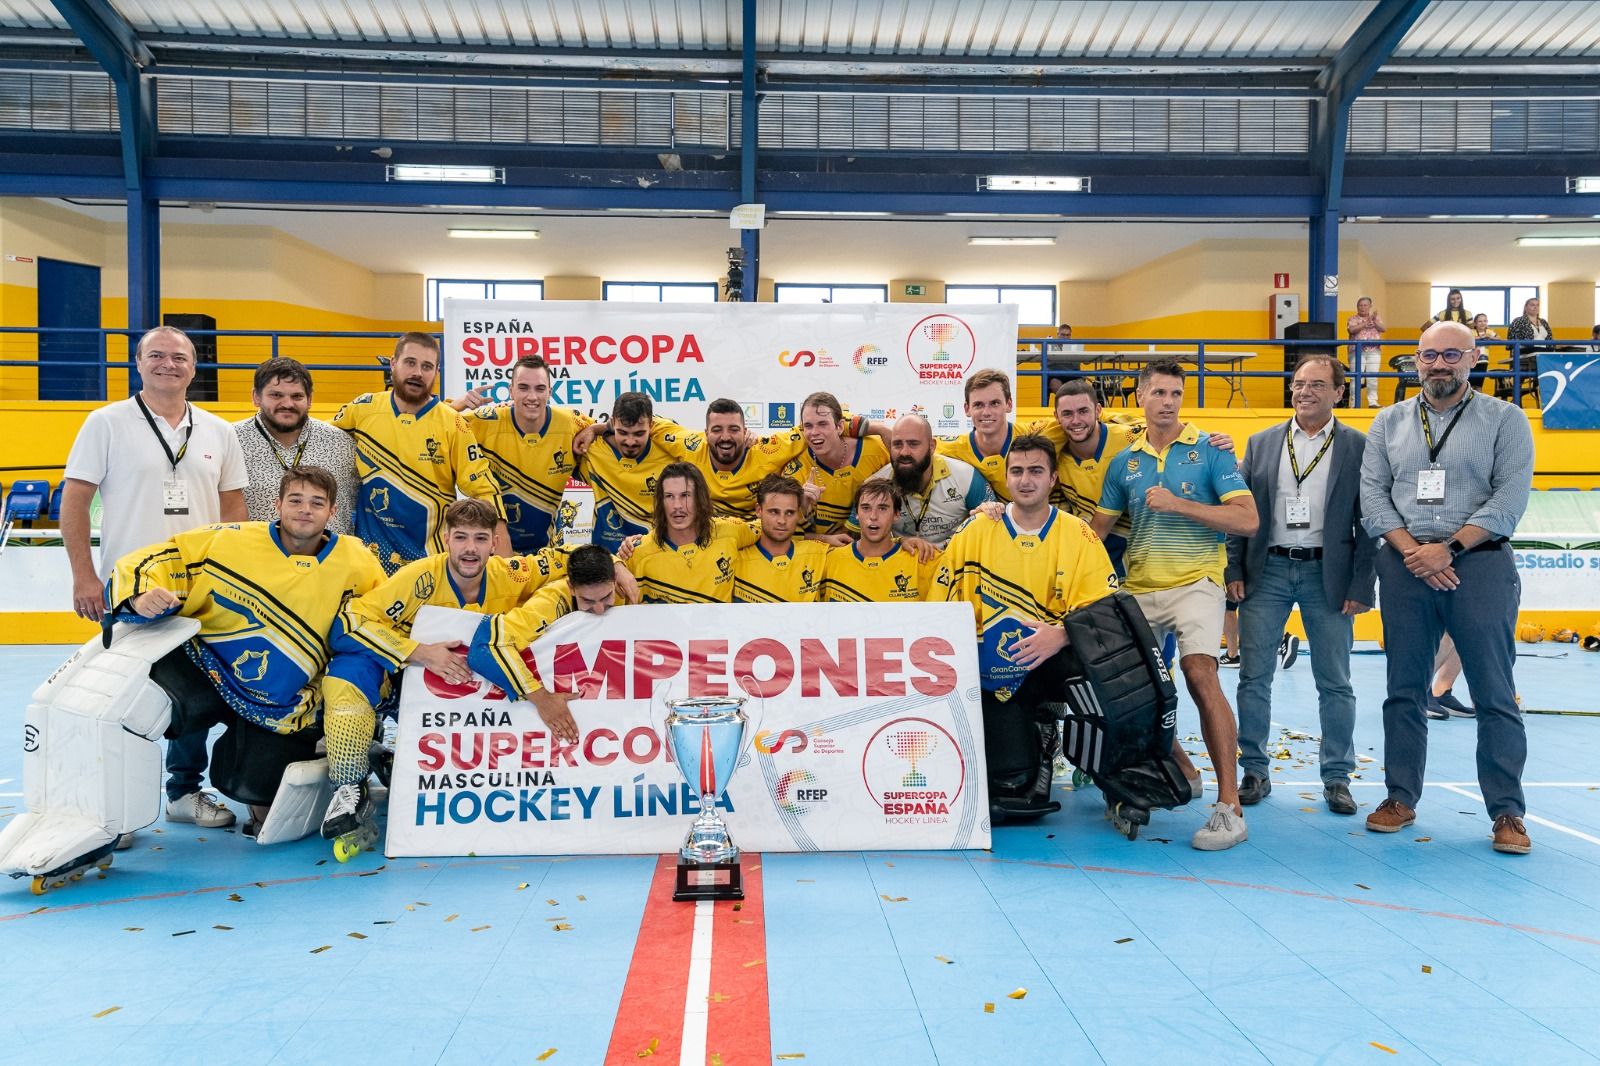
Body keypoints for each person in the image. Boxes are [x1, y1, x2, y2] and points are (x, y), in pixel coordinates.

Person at [105, 466, 384, 832]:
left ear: (332, 512)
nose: (305, 509)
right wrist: (141, 594)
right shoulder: (229, 540)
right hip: (209, 667)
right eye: (295, 500)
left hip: (285, 701)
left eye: (317, 503)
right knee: (144, 703)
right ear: (277, 504)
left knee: (265, 816)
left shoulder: (358, 560)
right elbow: (157, 559)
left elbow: (379, 621)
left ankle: (337, 752)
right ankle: (144, 806)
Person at [62, 324, 249, 831]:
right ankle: (115, 808)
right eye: (157, 355)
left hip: (199, 590)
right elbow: (75, 500)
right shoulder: (106, 422)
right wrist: (85, 577)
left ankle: (185, 791)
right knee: (125, 699)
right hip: (130, 589)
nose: (169, 364)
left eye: (180, 357)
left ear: (195, 367)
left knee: (195, 694)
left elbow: (234, 513)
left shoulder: (219, 431)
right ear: (138, 363)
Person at [1359, 319, 1536, 854]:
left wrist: (1449, 548)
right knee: (1403, 690)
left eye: (1451, 355)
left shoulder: (1507, 419)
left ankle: (1507, 811)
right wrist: (1414, 550)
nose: (1438, 365)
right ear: (1415, 360)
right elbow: (1372, 496)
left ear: (1475, 358)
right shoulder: (1388, 422)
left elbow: (1508, 500)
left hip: (1478, 564)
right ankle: (1399, 797)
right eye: (1428, 355)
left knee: (1494, 693)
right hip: (1405, 564)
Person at [1091, 359, 1259, 851]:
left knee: (1200, 673)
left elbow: (1247, 519)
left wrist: (1179, 504)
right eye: (1159, 392)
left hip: (1197, 582)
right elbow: (1097, 533)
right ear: (1140, 397)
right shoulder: (1124, 463)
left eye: (1176, 393)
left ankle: (1230, 807)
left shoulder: (1211, 450)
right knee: (1127, 692)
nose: (1168, 402)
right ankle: (1181, 767)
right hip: (1140, 586)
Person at [939, 433, 1121, 820]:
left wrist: (1063, 634)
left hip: (1057, 661)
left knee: (1109, 684)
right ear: (1005, 478)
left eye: (1036, 471)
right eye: (1017, 471)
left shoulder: (1079, 534)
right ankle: (1038, 738)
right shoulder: (974, 532)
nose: (1026, 480)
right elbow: (939, 604)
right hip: (993, 674)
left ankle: (1117, 778)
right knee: (1011, 790)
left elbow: (1105, 610)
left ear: (1053, 479)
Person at [1225, 355, 1377, 815]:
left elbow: (1369, 521)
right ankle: (1254, 769)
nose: (1304, 391)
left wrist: (1360, 583)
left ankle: (1336, 777)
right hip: (1266, 570)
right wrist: (1234, 570)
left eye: (1316, 384)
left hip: (1327, 574)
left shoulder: (1359, 446)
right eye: (1298, 384)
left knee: (1335, 682)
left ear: (1338, 392)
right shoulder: (1262, 442)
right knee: (1254, 677)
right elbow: (1240, 510)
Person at [331, 331, 503, 575]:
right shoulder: (362, 409)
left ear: (436, 372)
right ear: (393, 363)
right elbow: (317, 437)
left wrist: (502, 557)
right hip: (367, 565)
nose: (417, 373)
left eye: (427, 366)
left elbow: (483, 489)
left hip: (430, 566)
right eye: (410, 363)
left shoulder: (453, 423)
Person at [468, 545, 623, 748]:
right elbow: (484, 647)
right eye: (587, 601)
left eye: (606, 598)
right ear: (571, 588)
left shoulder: (627, 585)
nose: (600, 609)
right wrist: (542, 699)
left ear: (615, 581)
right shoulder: (549, 602)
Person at [467, 355, 591, 553]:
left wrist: (596, 429)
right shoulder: (487, 420)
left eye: (540, 388)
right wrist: (458, 404)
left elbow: (617, 432)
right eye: (523, 387)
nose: (532, 396)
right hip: (492, 552)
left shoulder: (570, 423)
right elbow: (436, 422)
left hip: (545, 552)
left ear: (549, 392)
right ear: (511, 391)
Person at [234, 357, 358, 533]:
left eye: (297, 396)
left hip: (329, 557)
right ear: (256, 397)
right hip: (255, 556)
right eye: (276, 395)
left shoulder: (342, 444)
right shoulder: (230, 441)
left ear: (309, 399)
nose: (287, 404)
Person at [622, 462, 760, 603]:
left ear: (700, 498)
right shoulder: (637, 552)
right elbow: (602, 579)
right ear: (661, 501)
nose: (677, 506)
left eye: (685, 495)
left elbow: (769, 526)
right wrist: (616, 564)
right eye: (669, 496)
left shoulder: (730, 531)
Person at [650, 398, 810, 518]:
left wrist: (836, 429)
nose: (725, 437)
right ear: (706, 433)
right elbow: (648, 420)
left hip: (755, 540)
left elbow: (812, 424)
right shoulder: (690, 445)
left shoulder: (767, 451)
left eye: (734, 429)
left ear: (745, 431)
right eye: (717, 430)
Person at [855, 413, 992, 550]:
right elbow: (855, 540)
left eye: (913, 444)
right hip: (903, 563)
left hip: (955, 561)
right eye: (897, 444)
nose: (904, 452)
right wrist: (898, 541)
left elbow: (991, 528)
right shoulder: (874, 484)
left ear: (932, 446)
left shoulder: (966, 476)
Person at [572, 391, 679, 553]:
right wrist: (594, 429)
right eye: (622, 432)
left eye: (639, 434)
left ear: (651, 424)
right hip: (607, 561)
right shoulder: (590, 449)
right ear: (613, 423)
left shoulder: (672, 452)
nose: (630, 441)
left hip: (657, 554)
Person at [937, 369, 1066, 501]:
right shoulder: (949, 449)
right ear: (967, 409)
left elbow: (1083, 424)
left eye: (995, 403)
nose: (986, 412)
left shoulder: (1041, 434)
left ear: (1009, 404)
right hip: (997, 517)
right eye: (978, 405)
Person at [790, 391, 890, 540]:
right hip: (821, 554)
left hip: (872, 550)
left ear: (840, 427)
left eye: (823, 424)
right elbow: (785, 534)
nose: (814, 432)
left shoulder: (876, 450)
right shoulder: (796, 470)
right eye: (808, 426)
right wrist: (802, 507)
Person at [820, 481, 941, 603]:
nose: (873, 516)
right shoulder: (829, 560)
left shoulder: (922, 558)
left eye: (882, 508)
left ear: (896, 514)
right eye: (866, 508)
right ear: (856, 514)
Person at [734, 474, 828, 603]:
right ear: (758, 510)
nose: (782, 521)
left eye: (790, 512)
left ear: (798, 514)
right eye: (774, 512)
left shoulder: (819, 553)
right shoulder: (735, 559)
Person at [1346, 296, 1386, 408]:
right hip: (1357, 352)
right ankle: (1354, 404)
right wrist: (1366, 323)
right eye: (1360, 305)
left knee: (1372, 377)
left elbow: (1383, 329)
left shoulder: (1376, 318)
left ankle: (1373, 403)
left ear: (1370, 307)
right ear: (1357, 307)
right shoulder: (1352, 319)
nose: (1362, 307)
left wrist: (1374, 320)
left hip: (1374, 351)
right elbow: (1352, 330)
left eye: (1365, 305)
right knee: (1356, 378)